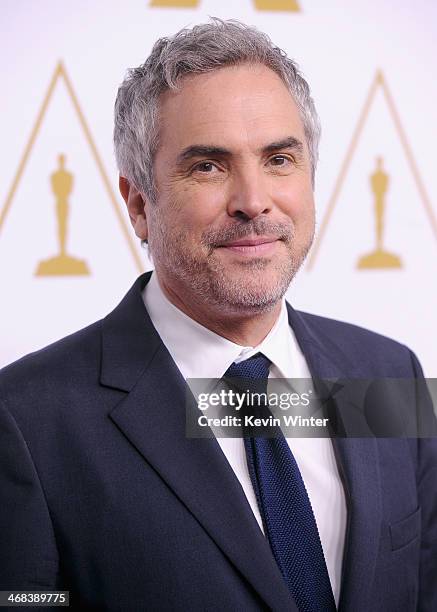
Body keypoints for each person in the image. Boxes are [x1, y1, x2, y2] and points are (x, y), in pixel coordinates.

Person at [1, 18, 436, 612]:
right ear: (138, 205)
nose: (253, 201)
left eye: (279, 158)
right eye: (208, 166)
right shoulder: (27, 419)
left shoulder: (390, 373)